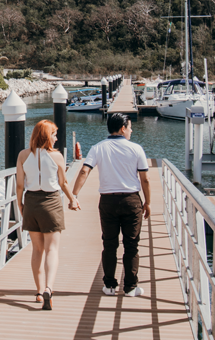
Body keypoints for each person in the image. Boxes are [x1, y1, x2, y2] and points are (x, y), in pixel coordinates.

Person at [72, 113, 150, 297]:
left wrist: (74, 195)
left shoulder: (98, 148)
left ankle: (109, 286)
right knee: (131, 244)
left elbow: (84, 170)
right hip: (131, 200)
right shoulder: (136, 149)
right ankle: (130, 287)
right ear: (123, 128)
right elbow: (145, 179)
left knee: (109, 244)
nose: (131, 131)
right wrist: (148, 202)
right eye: (129, 127)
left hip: (107, 201)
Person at [15, 119, 80, 310]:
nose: (56, 137)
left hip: (32, 202)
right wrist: (72, 200)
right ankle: (49, 289)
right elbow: (63, 183)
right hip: (51, 202)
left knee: (37, 249)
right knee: (52, 250)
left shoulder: (23, 155)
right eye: (54, 134)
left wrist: (20, 203)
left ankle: (38, 290)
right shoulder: (57, 156)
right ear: (46, 136)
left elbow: (20, 184)